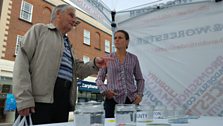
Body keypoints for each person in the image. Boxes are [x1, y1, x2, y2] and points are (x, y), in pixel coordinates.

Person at [13, 4, 109, 125]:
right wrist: (23, 98)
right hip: (38, 102)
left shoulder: (68, 44)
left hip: (63, 101)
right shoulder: (39, 30)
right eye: (71, 15)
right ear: (58, 13)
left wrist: (95, 63)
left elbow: (78, 70)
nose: (75, 20)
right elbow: (22, 62)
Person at [96, 30, 145, 118]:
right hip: (112, 100)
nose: (117, 40)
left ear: (127, 41)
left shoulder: (133, 58)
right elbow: (99, 78)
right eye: (115, 38)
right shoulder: (107, 58)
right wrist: (105, 91)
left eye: (120, 38)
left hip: (130, 100)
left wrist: (140, 95)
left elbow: (140, 79)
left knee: (131, 124)